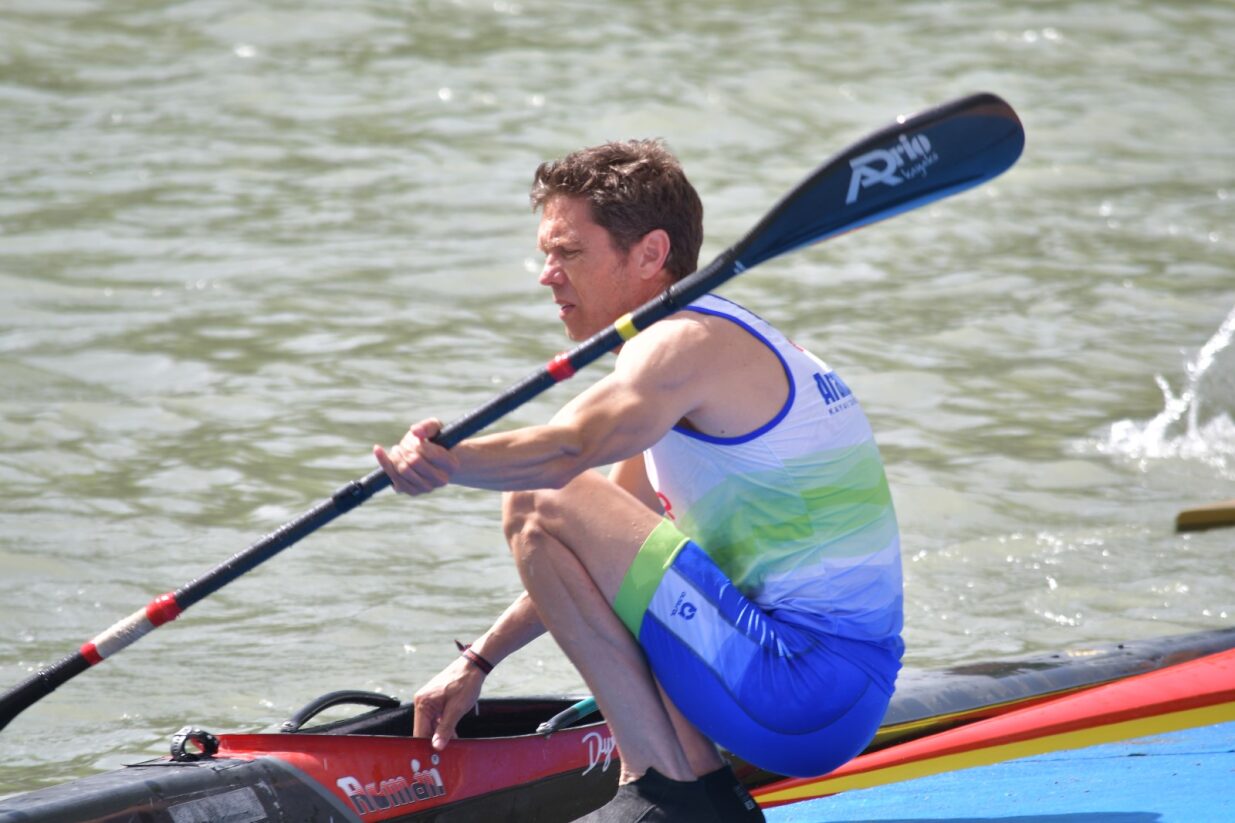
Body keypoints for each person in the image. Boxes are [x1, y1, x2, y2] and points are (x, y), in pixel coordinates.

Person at [374, 139, 904, 822]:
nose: (547, 276)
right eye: (546, 254)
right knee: (564, 515)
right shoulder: (702, 353)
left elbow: (565, 453)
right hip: (832, 696)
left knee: (538, 496)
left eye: (568, 253)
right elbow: (592, 555)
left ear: (651, 254)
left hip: (797, 685)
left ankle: (666, 786)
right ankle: (702, 793)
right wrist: (479, 660)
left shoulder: (680, 344)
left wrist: (447, 461)